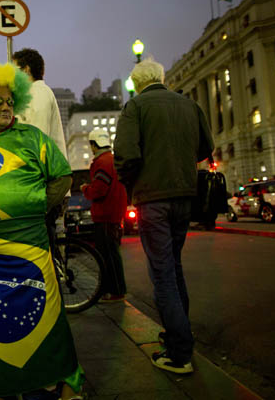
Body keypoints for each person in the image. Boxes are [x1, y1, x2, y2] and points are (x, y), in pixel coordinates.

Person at [0, 61, 84, 399]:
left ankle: (59, 381)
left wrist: (37, 206)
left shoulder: (33, 139)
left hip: (32, 246)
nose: (6, 106)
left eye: (10, 100)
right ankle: (1, 383)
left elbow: (63, 176)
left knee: (45, 318)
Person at [114, 58, 214, 374]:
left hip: (152, 198)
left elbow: (126, 155)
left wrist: (131, 181)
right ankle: (178, 333)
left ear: (136, 84)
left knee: (162, 272)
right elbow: (205, 146)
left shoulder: (136, 107)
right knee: (174, 266)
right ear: (163, 77)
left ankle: (179, 351)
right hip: (185, 196)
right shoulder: (188, 105)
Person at [80, 128, 128, 303]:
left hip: (105, 215)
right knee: (112, 253)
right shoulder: (113, 159)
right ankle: (115, 290)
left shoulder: (102, 162)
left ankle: (115, 291)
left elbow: (99, 189)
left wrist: (86, 189)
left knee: (108, 256)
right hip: (115, 213)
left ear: (94, 144)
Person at [13, 48, 67, 158]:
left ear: (26, 70)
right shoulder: (34, 93)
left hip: (38, 168)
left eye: (15, 69)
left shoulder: (38, 93)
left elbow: (37, 136)